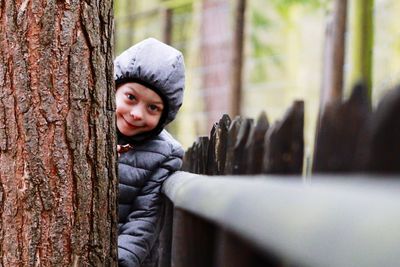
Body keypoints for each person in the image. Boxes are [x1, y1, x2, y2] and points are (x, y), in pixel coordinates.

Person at [114, 38, 185, 267]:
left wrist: (118, 261)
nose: (136, 114)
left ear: (164, 116)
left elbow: (144, 219)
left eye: (152, 108)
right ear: (114, 89)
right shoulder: (87, 126)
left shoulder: (166, 154)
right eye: (131, 98)